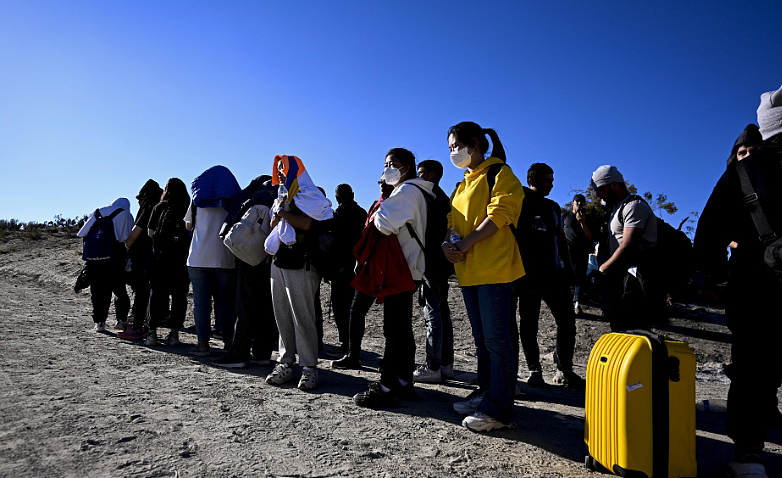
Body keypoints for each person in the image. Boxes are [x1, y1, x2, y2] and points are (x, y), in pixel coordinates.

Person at [694, 86, 782, 478]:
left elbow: (708, 232)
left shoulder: (741, 172)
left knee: (750, 368)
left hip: (754, 285)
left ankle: (748, 454)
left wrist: (709, 278)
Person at [442, 122, 524, 432]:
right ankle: (486, 395)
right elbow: (452, 220)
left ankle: (499, 410)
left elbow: (501, 212)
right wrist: (448, 242)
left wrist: (467, 242)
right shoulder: (461, 184)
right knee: (482, 341)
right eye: (449, 148)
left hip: (496, 268)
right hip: (469, 272)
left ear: (474, 144)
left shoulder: (499, 172)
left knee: (497, 341)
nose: (453, 152)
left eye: (455, 146)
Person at [352, 148, 434, 408]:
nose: (387, 168)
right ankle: (403, 381)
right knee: (402, 329)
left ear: (407, 168)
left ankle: (386, 387)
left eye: (393, 164)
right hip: (409, 267)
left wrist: (380, 208)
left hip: (401, 268)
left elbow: (383, 223)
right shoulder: (417, 192)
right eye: (385, 163)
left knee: (394, 330)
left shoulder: (407, 191)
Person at [264, 155, 333, 391]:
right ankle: (285, 362)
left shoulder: (310, 194)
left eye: (284, 168)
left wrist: (282, 214)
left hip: (302, 262)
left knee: (302, 317)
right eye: (278, 168)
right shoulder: (282, 195)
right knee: (282, 315)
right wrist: (278, 216)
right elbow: (276, 225)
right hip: (280, 259)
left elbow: (307, 224)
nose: (281, 172)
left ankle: (309, 367)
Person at [514, 163, 584, 389]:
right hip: (527, 275)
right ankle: (534, 371)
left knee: (566, 321)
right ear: (532, 180)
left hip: (554, 275)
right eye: (547, 180)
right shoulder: (519, 199)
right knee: (529, 324)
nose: (551, 185)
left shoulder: (554, 207)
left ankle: (564, 369)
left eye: (552, 181)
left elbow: (560, 238)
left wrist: (569, 269)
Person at [213, 175, 279, 368]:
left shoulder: (253, 195)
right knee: (268, 305)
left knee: (246, 304)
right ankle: (262, 353)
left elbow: (235, 212)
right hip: (272, 256)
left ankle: (239, 354)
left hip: (249, 255)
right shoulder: (282, 194)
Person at [331, 180, 394, 370]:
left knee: (347, 308)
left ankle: (349, 349)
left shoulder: (343, 213)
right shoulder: (364, 211)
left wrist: (339, 265)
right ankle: (353, 352)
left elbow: (339, 241)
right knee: (355, 309)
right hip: (362, 265)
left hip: (361, 266)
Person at [591, 165, 658, 332]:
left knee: (636, 330)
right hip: (622, 279)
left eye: (600, 189)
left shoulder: (634, 206)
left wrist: (603, 268)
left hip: (636, 279)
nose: (598, 194)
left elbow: (629, 245)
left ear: (614, 185)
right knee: (619, 328)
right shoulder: (617, 209)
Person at [185, 165, 241, 356]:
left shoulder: (197, 199)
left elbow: (188, 225)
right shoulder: (234, 199)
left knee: (201, 304)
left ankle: (203, 345)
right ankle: (229, 342)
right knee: (225, 304)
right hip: (225, 258)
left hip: (198, 257)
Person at [412, 159, 455, 383]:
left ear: (433, 174)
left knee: (433, 314)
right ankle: (446, 364)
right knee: (442, 313)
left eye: (421, 173)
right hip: (441, 263)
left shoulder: (430, 198)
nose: (418, 178)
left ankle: (433, 365)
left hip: (432, 263)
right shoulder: (443, 198)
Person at [144, 178, 191, 346]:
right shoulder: (187, 207)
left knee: (157, 295)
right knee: (179, 297)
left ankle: (152, 334)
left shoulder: (159, 208)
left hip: (160, 258)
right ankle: (174, 334)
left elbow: (150, 233)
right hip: (181, 260)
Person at [77, 198, 135, 332]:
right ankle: (121, 320)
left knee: (97, 291)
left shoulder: (98, 212)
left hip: (94, 258)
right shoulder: (126, 215)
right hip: (116, 256)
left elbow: (81, 233)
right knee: (119, 289)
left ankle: (99, 322)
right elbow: (127, 238)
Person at [120, 179, 162, 336]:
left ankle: (136, 327)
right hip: (157, 257)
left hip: (141, 258)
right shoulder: (161, 210)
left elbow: (132, 237)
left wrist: (127, 247)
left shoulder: (147, 211)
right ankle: (149, 327)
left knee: (141, 292)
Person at [329, 184, 367, 355]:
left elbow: (335, 242)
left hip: (341, 266)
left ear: (337, 198)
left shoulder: (338, 215)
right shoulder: (362, 213)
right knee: (353, 308)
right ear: (352, 194)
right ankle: (352, 345)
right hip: (357, 265)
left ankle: (346, 343)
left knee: (341, 307)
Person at [562, 194, 594, 314]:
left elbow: (590, 236)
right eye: (577, 201)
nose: (580, 204)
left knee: (580, 278)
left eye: (582, 202)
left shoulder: (588, 218)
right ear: (573, 203)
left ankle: (578, 304)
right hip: (567, 252)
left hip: (582, 251)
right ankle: (564, 302)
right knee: (565, 276)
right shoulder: (565, 216)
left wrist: (583, 223)